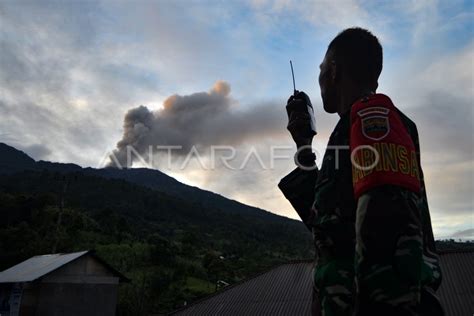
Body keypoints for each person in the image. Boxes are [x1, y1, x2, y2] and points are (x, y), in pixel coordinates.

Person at [278, 27, 443, 316]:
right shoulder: (356, 126)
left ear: (333, 70)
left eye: (321, 69)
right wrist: (304, 144)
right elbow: (332, 227)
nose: (319, 79)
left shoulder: (374, 122)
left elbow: (388, 233)